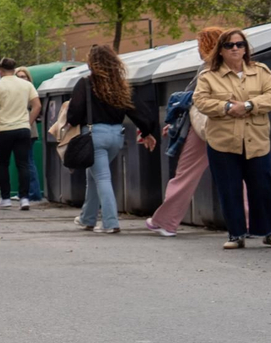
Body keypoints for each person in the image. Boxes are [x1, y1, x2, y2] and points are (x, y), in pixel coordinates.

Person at [192, 28, 271, 250]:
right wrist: (225, 106)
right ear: (221, 51)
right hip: (223, 141)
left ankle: (266, 231)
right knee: (229, 187)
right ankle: (236, 233)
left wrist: (249, 105)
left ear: (246, 49)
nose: (235, 48)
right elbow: (200, 100)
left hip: (256, 139)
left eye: (239, 44)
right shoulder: (209, 76)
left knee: (262, 186)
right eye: (229, 45)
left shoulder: (261, 71)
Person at [68, 45, 159, 235]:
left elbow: (74, 115)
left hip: (94, 136)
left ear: (92, 62)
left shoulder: (86, 83)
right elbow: (138, 111)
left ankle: (110, 222)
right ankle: (87, 218)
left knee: (101, 177)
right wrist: (147, 132)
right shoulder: (120, 86)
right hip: (116, 137)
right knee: (94, 176)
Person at [146, 28, 224, 238]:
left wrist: (174, 122)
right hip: (230, 128)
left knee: (185, 175)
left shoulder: (206, 69)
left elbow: (191, 99)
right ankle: (252, 222)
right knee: (238, 174)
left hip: (202, 129)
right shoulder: (233, 67)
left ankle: (166, 221)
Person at [0, 58, 39, 210]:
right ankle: (24, 198)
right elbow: (37, 106)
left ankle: (5, 198)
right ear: (14, 70)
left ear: (0, 70)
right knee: (23, 164)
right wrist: (28, 122)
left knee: (3, 164)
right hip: (22, 129)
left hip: (4, 129)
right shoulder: (26, 85)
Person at [13, 67, 45, 203]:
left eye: (24, 76)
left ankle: (33, 192)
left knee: (28, 162)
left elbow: (36, 107)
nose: (21, 79)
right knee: (24, 162)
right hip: (22, 128)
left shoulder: (29, 91)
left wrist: (27, 122)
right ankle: (26, 192)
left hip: (28, 129)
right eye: (19, 76)